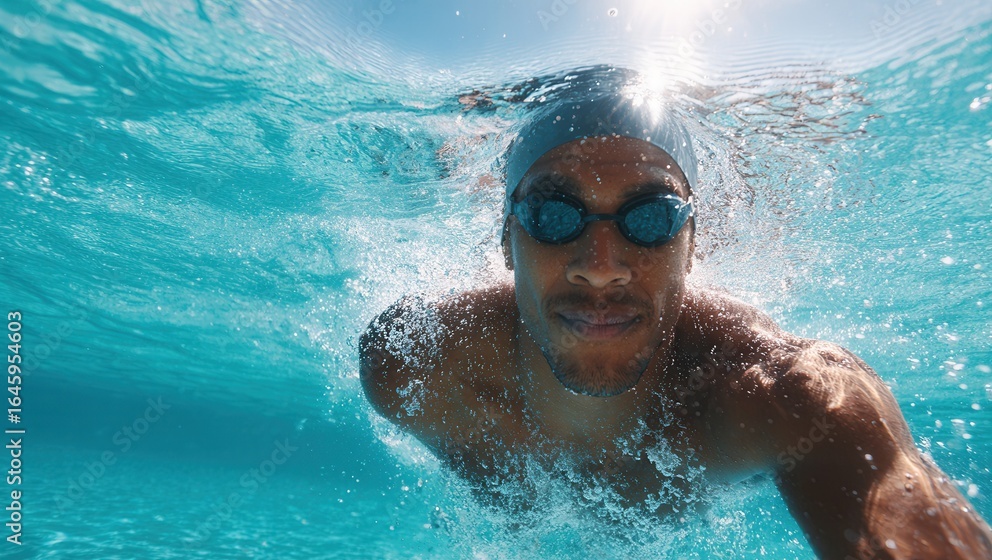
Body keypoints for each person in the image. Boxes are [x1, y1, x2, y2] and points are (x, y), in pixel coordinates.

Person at [358, 66, 992, 558]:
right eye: (553, 216)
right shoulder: (416, 368)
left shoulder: (781, 397)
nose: (601, 266)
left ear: (693, 245)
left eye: (651, 217)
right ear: (505, 240)